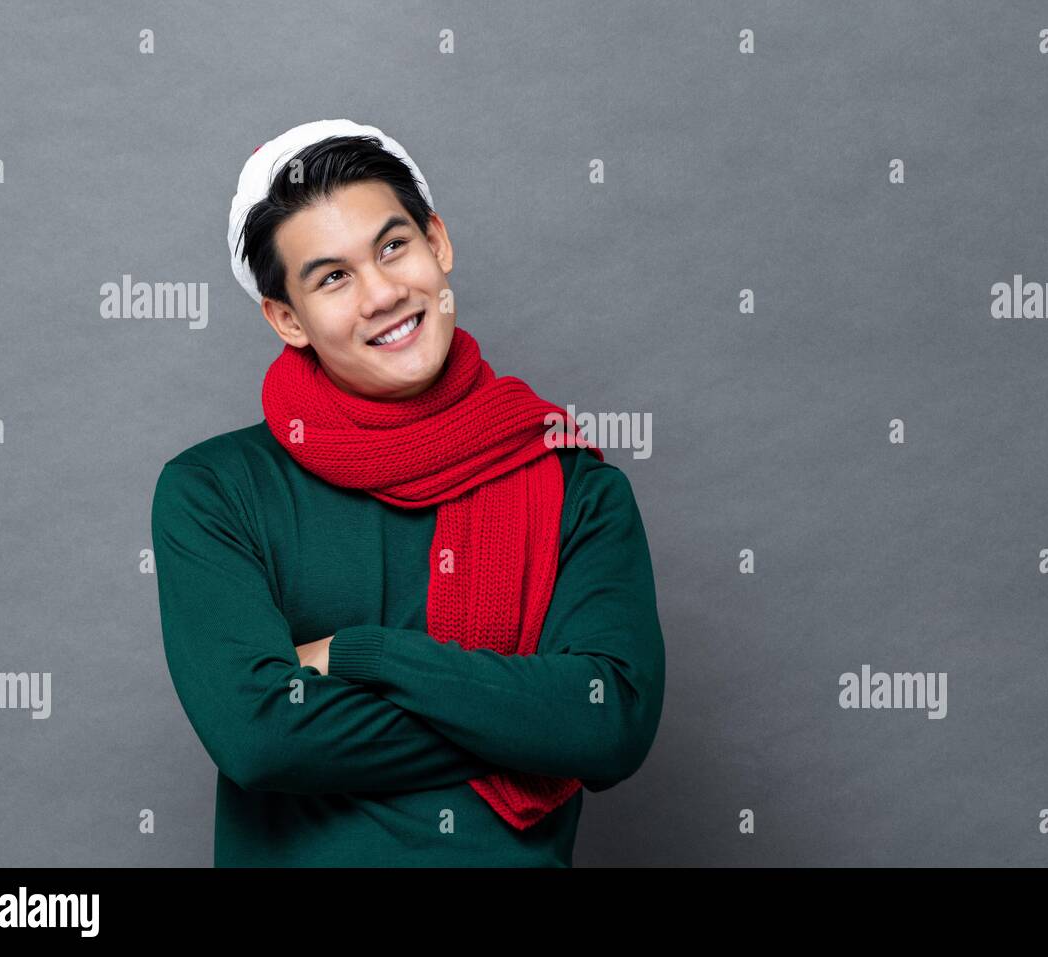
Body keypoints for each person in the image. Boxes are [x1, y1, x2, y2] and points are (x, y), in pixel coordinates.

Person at [149, 119, 666, 866]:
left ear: (438, 243)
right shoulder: (213, 492)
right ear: (287, 318)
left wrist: (363, 654)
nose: (384, 293)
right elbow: (259, 737)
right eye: (333, 277)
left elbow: (609, 721)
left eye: (394, 247)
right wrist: (522, 719)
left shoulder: (571, 480)